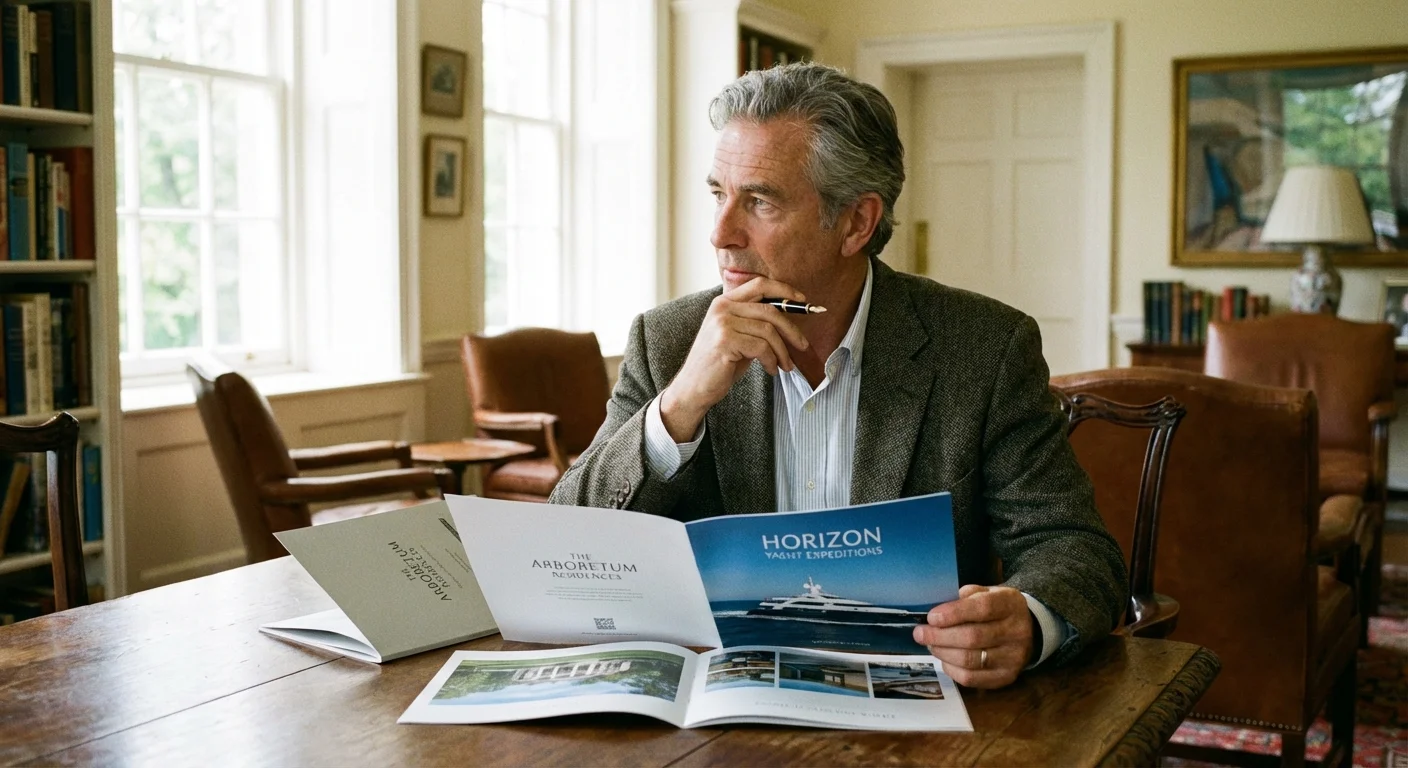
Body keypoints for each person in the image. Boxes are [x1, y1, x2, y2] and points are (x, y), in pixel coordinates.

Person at [549, 62, 1126, 689]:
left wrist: (1026, 620)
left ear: (856, 222)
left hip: (910, 708)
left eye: (760, 201)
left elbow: (1074, 548)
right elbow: (567, 542)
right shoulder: (669, 341)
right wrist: (679, 406)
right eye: (719, 194)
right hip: (715, 714)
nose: (721, 233)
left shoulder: (983, 348)